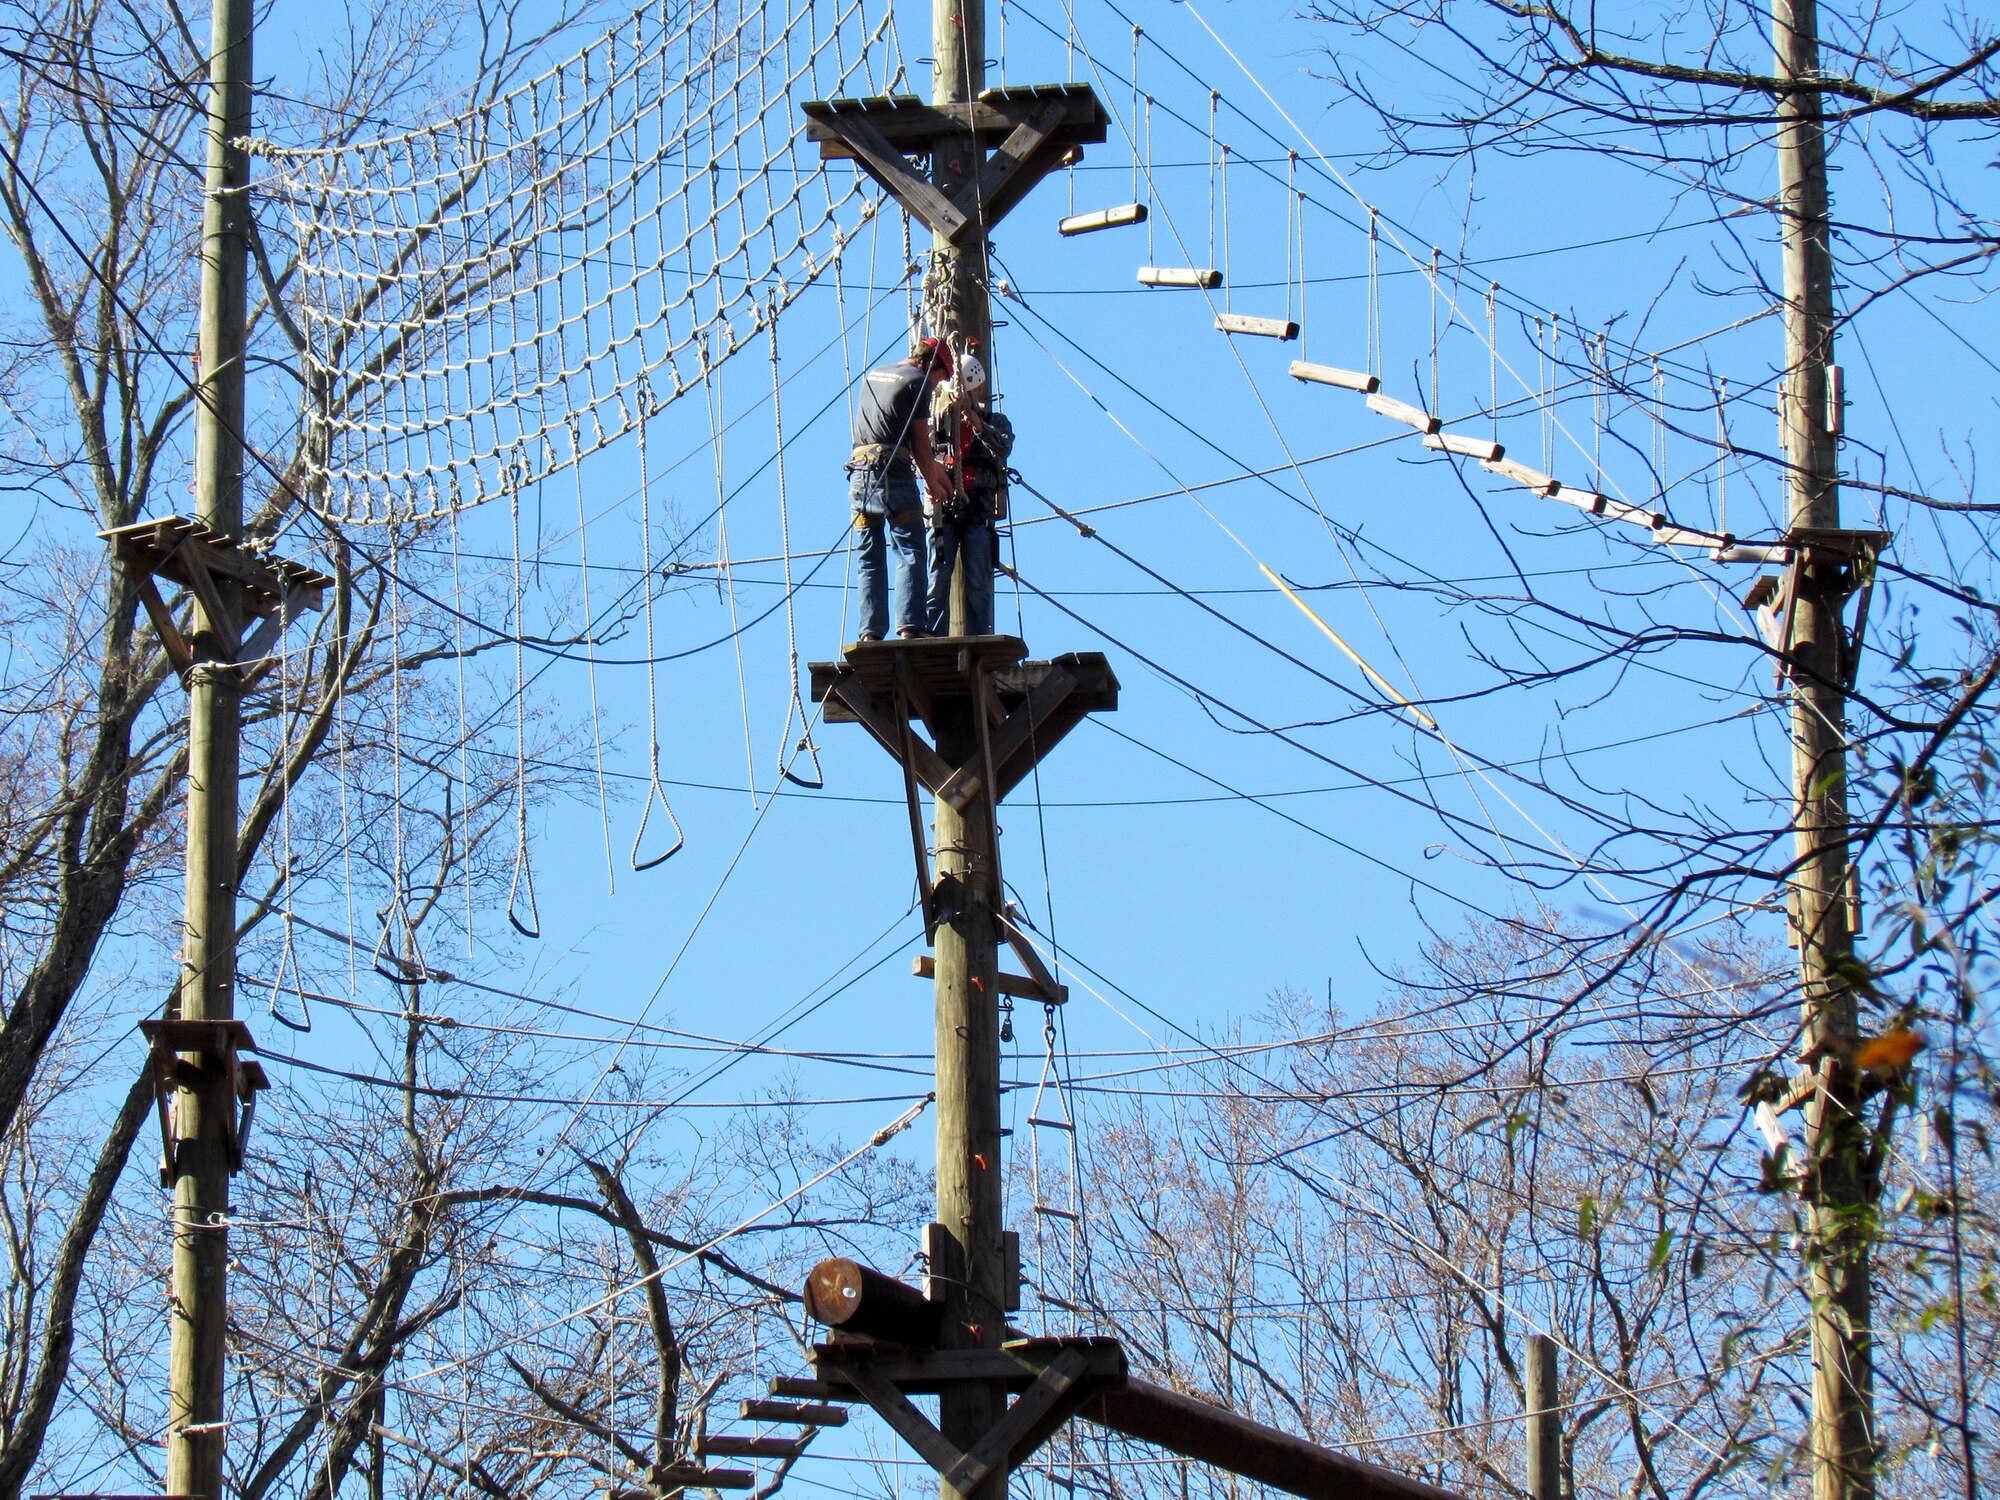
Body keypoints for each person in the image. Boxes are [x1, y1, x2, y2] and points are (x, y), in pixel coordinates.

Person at [848, 338, 953, 642]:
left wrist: (932, 471)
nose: (936, 387)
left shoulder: (875, 375)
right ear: (932, 364)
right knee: (909, 548)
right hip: (891, 471)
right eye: (940, 379)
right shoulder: (917, 382)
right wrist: (933, 485)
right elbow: (921, 444)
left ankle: (869, 632)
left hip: (859, 474)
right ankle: (911, 626)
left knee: (868, 555)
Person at [924, 352, 1012, 637]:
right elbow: (922, 454)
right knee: (937, 578)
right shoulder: (938, 423)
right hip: (945, 510)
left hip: (978, 511)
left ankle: (979, 638)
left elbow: (1003, 447)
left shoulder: (995, 422)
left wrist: (977, 424)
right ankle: (933, 636)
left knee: (977, 582)